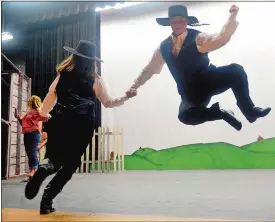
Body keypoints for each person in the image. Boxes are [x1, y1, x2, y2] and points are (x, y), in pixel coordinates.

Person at [24, 40, 137, 214]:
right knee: (70, 165)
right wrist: (126, 97)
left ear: (74, 56)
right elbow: (107, 102)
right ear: (92, 60)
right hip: (82, 126)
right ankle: (46, 202)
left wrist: (45, 114)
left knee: (53, 157)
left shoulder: (62, 74)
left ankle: (44, 167)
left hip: (60, 121)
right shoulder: (95, 80)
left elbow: (51, 94)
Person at [126, 5, 271, 131]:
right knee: (185, 116)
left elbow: (220, 38)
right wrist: (135, 86)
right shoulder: (163, 47)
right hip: (191, 93)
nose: (178, 24)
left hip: (208, 79)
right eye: (174, 21)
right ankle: (220, 113)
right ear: (169, 22)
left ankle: (250, 110)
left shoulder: (198, 38)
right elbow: (150, 69)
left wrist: (232, 18)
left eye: (181, 20)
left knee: (236, 71)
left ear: (186, 21)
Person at [14, 96, 51, 181]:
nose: (31, 103)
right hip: (27, 134)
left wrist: (41, 118)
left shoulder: (38, 111)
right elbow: (23, 123)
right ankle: (32, 172)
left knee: (33, 152)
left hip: (34, 134)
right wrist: (18, 117)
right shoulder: (28, 113)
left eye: (32, 101)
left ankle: (34, 170)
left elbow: (47, 116)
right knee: (30, 154)